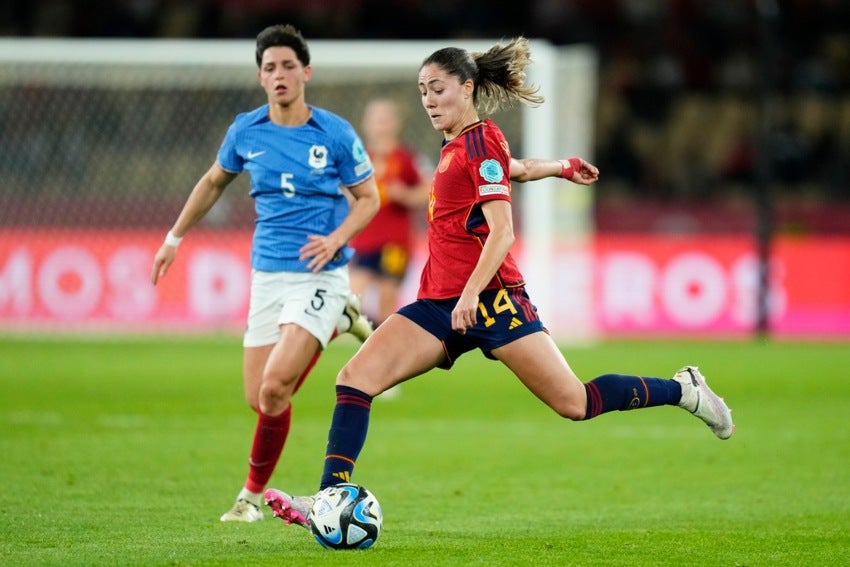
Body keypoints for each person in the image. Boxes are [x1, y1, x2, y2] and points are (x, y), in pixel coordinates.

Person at [263, 36, 735, 528]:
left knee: (575, 402)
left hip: (493, 301)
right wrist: (561, 167)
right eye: (423, 91)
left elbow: (503, 231)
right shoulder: (460, 145)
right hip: (439, 305)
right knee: (355, 379)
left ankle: (683, 390)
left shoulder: (480, 140)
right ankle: (330, 498)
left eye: (438, 89)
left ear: (467, 88)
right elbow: (514, 170)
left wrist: (470, 294)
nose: (429, 101)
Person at [150, 23, 380, 523]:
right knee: (260, 398)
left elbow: (369, 198)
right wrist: (173, 239)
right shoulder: (246, 130)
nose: (279, 75)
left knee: (276, 387)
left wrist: (337, 239)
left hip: (320, 272)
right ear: (260, 77)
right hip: (268, 275)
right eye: (270, 67)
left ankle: (249, 499)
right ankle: (340, 322)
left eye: (288, 66)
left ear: (306, 73)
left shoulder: (334, 133)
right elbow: (213, 182)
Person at [349, 98, 429, 327]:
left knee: (387, 300)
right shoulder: (359, 159)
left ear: (396, 124)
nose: (381, 125)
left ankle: (381, 337)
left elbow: (429, 189)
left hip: (395, 243)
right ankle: (375, 333)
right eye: (376, 120)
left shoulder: (407, 158)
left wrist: (405, 195)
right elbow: (346, 194)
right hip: (364, 241)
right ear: (366, 124)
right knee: (353, 300)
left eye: (385, 119)